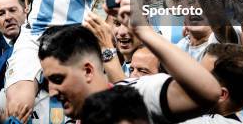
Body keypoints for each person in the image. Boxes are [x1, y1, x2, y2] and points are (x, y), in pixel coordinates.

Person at [38, 24, 221, 122]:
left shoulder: (137, 93)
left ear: (87, 71)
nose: (52, 91)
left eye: (58, 79)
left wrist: (144, 32)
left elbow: (209, 92)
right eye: (49, 81)